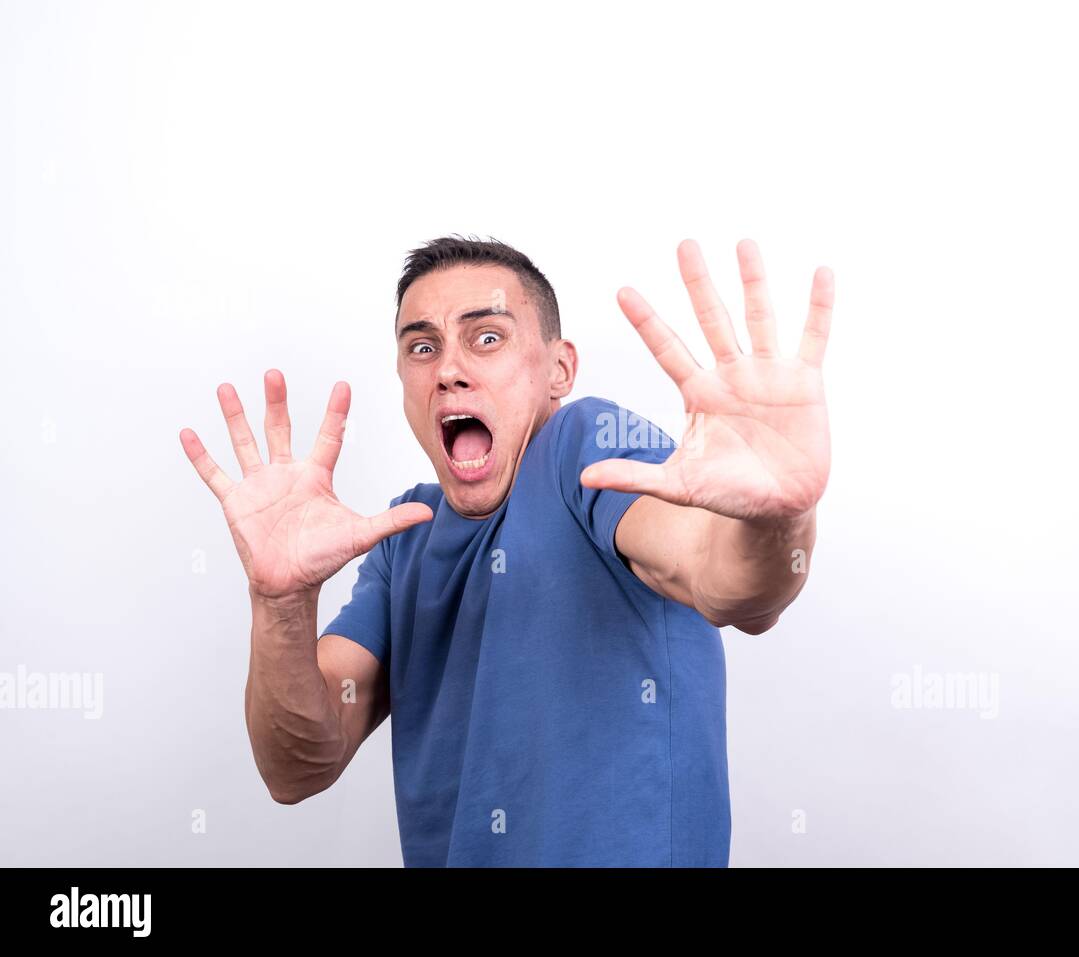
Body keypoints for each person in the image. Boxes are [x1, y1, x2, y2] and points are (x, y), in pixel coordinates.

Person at [179, 235, 834, 866]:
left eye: (486, 338)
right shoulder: (404, 537)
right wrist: (280, 601)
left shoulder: (587, 448)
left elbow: (727, 581)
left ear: (559, 368)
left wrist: (780, 516)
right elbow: (298, 765)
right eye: (422, 347)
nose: (449, 371)